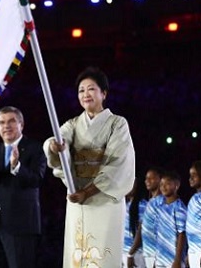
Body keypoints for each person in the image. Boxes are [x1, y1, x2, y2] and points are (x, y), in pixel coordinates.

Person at [44, 66, 136, 268]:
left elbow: (118, 164)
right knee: (78, 251)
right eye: (81, 90)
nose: (85, 94)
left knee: (102, 252)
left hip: (104, 197)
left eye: (91, 89)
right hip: (77, 197)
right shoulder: (73, 124)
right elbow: (59, 140)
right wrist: (54, 145)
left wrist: (88, 191)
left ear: (103, 93)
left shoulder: (117, 123)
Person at [0, 106, 47, 268]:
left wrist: (17, 166)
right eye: (1, 123)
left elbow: (36, 179)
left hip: (21, 225)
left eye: (11, 121)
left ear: (21, 124)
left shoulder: (35, 148)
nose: (6, 126)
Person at [133, 167, 165, 268]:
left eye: (151, 178)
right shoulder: (150, 202)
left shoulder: (162, 202)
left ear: (160, 179)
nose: (147, 181)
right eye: (146, 178)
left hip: (157, 254)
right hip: (148, 252)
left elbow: (163, 231)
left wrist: (158, 257)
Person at [154, 170, 187, 268]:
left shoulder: (179, 208)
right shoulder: (160, 207)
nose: (163, 187)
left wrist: (177, 260)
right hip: (160, 259)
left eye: (167, 184)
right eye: (161, 184)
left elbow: (182, 235)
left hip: (173, 260)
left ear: (176, 185)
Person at [123, 177, 148, 268]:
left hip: (136, 254)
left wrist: (131, 254)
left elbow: (141, 231)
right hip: (125, 252)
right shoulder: (126, 204)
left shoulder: (142, 205)